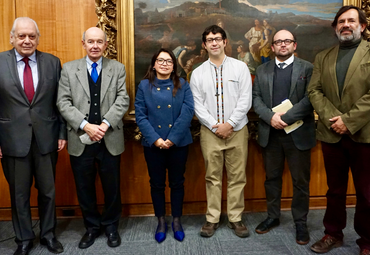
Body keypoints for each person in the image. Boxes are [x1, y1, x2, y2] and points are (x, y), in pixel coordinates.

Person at [57, 27, 129, 249]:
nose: (95, 45)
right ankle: (91, 228)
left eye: (99, 41)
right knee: (84, 187)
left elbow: (123, 100)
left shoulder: (117, 68)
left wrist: (104, 125)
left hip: (110, 139)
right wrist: (86, 126)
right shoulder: (69, 70)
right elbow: (63, 102)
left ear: (106, 45)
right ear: (83, 43)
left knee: (112, 187)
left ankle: (110, 227)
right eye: (91, 42)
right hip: (80, 139)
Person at [0, 17, 66, 255]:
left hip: (46, 139)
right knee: (19, 194)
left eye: (32, 36)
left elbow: (60, 103)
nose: (27, 40)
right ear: (12, 37)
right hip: (11, 140)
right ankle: (24, 239)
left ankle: (48, 235)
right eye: (21, 36)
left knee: (48, 192)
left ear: (38, 38)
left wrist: (61, 133)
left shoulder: (52, 63)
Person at [308, 6, 370, 255]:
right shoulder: (323, 57)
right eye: (341, 21)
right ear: (335, 28)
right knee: (334, 190)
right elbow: (314, 91)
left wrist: (349, 120)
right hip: (332, 134)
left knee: (367, 192)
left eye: (351, 20)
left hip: (365, 134)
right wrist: (335, 120)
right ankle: (332, 233)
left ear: (362, 26)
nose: (346, 24)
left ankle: (367, 241)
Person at [252, 29, 315, 245]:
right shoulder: (262, 70)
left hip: (298, 133)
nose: (283, 45)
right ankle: (273, 216)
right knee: (272, 179)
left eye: (287, 41)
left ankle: (300, 222)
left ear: (294, 45)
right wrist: (271, 117)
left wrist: (286, 118)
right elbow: (256, 99)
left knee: (300, 181)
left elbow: (310, 99)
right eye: (278, 42)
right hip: (271, 133)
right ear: (272, 47)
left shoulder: (308, 68)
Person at [190, 25, 252, 238]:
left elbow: (246, 99)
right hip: (210, 132)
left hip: (238, 130)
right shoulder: (197, 73)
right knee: (212, 177)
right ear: (205, 45)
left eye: (217, 38)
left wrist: (230, 123)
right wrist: (215, 125)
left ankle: (236, 218)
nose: (214, 43)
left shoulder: (240, 68)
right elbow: (197, 104)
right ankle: (212, 218)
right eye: (209, 40)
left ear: (225, 42)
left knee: (237, 176)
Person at [135, 48, 194, 243]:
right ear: (154, 64)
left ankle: (176, 220)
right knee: (157, 184)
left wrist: (173, 138)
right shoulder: (144, 86)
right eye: (160, 60)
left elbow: (188, 111)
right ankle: (161, 221)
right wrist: (156, 139)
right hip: (153, 144)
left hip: (178, 143)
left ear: (173, 66)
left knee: (177, 183)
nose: (164, 64)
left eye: (169, 61)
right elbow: (141, 115)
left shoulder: (183, 85)